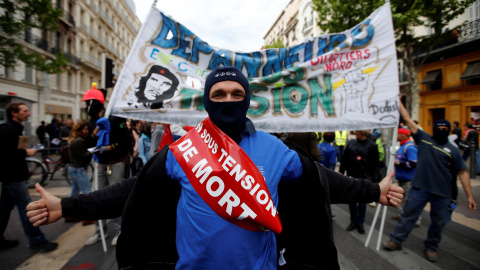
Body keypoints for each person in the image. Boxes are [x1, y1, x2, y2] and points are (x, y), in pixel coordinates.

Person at [26, 66, 404, 270]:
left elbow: (322, 182)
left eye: (237, 94)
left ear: (248, 101)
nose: (228, 100)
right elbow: (134, 191)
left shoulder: (276, 150)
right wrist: (69, 208)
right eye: (219, 94)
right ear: (207, 102)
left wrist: (376, 191)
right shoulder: (183, 151)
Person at [383, 101, 477, 263]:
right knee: (408, 215)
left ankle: (431, 247)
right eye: (438, 128)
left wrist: (470, 196)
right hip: (419, 188)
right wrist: (398, 100)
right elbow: (407, 118)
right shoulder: (424, 139)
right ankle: (396, 240)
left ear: (448, 131)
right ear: (433, 129)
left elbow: (463, 172)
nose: (441, 131)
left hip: (442, 192)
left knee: (438, 222)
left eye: (444, 129)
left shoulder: (453, 150)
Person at [0, 102, 58, 252]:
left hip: (12, 176)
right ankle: (36, 240)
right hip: (13, 176)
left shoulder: (15, 128)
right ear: (14, 113)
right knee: (27, 209)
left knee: (4, 209)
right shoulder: (7, 130)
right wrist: (26, 152)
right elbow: (5, 153)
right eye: (25, 111)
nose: (28, 113)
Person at [86, 115, 131, 247]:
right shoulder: (95, 121)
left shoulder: (118, 119)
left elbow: (125, 142)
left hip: (115, 163)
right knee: (97, 196)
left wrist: (110, 147)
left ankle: (119, 231)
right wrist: (95, 132)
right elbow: (89, 143)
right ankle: (100, 231)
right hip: (100, 163)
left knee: (116, 196)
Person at [340, 130, 380, 234]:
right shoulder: (351, 143)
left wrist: (375, 181)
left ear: (363, 133)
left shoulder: (372, 146)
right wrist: (340, 174)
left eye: (358, 131)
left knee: (362, 202)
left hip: (364, 176)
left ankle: (360, 222)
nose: (355, 132)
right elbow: (344, 160)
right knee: (352, 200)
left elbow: (375, 165)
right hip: (352, 175)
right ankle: (353, 221)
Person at [391, 128, 418, 223]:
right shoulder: (402, 146)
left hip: (409, 179)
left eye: (398, 134)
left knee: (410, 199)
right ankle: (402, 215)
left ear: (404, 135)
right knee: (402, 198)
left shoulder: (409, 147)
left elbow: (413, 163)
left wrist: (398, 163)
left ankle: (415, 219)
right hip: (401, 178)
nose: (396, 136)